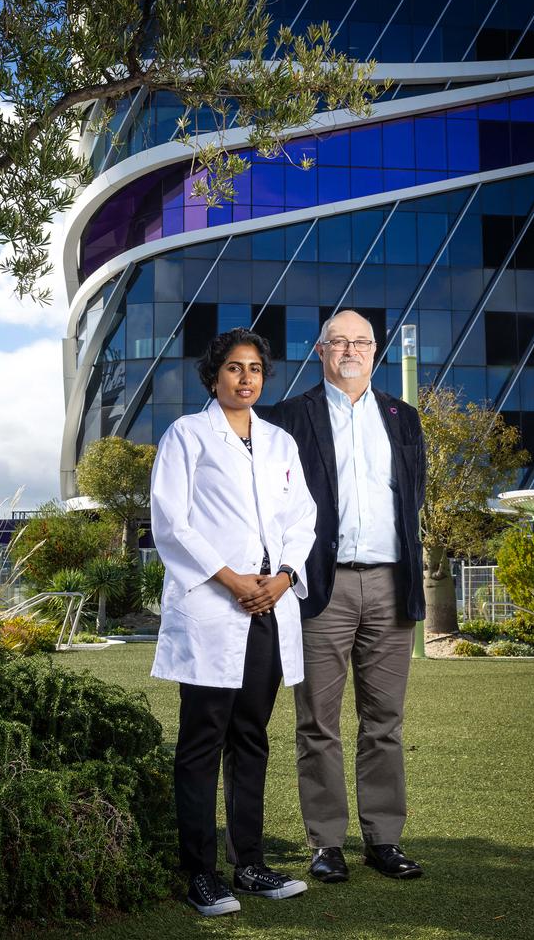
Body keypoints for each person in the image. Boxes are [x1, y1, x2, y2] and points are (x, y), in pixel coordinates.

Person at [150, 327, 317, 917]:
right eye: (234, 368)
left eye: (255, 370)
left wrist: (285, 576)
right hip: (215, 607)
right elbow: (172, 521)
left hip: (271, 607)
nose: (245, 379)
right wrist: (231, 579)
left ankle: (248, 862)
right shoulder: (187, 436)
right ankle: (199, 872)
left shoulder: (279, 443)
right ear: (213, 375)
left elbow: (303, 518)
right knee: (202, 740)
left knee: (251, 737)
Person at [265, 309, 426, 884]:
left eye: (361, 341)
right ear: (321, 350)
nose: (351, 350)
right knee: (318, 723)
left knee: (385, 720)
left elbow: (412, 499)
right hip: (320, 587)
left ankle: (383, 840)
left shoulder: (403, 418)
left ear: (376, 350)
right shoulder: (286, 419)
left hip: (390, 582)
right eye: (339, 341)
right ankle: (327, 844)